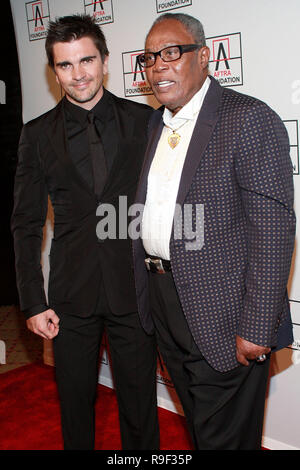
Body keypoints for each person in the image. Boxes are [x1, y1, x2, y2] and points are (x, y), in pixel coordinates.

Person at [133, 12, 296, 450]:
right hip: (166, 301)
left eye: (171, 52)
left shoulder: (247, 119)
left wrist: (259, 325)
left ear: (204, 57)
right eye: (149, 58)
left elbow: (274, 228)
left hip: (224, 313)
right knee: (203, 432)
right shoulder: (155, 124)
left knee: (225, 440)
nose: (158, 66)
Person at [11, 14, 159, 450]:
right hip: (69, 296)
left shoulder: (144, 121)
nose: (78, 75)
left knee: (140, 406)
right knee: (75, 405)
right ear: (53, 69)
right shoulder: (36, 136)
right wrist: (33, 301)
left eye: (87, 61)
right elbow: (26, 223)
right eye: (65, 65)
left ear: (106, 61)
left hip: (135, 289)